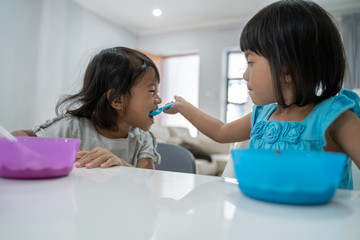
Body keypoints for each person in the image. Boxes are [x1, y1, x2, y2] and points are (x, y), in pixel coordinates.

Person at [164, 0, 360, 189]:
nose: (244, 74)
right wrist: (183, 107)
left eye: (251, 62)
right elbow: (221, 131)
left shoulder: (335, 119)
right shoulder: (263, 114)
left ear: (289, 69)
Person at [12, 47, 162, 169]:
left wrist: (121, 164)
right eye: (152, 91)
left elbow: (146, 184)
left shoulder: (143, 139)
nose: (159, 99)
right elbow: (17, 138)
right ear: (117, 100)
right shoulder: (71, 128)